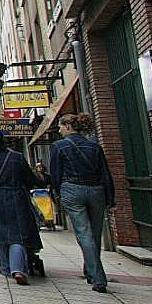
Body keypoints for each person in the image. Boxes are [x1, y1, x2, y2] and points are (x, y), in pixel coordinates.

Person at [49, 113, 114, 293]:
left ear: (68, 126)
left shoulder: (58, 146)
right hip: (96, 190)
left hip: (72, 189)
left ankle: (98, 277)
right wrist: (110, 197)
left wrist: (57, 194)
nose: (60, 130)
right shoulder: (94, 146)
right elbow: (105, 174)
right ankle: (91, 271)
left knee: (84, 234)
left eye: (61, 127)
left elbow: (55, 174)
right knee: (94, 233)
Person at [0, 128, 43, 285]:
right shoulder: (17, 157)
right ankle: (18, 269)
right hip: (17, 198)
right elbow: (29, 179)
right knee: (18, 234)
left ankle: (6, 267)